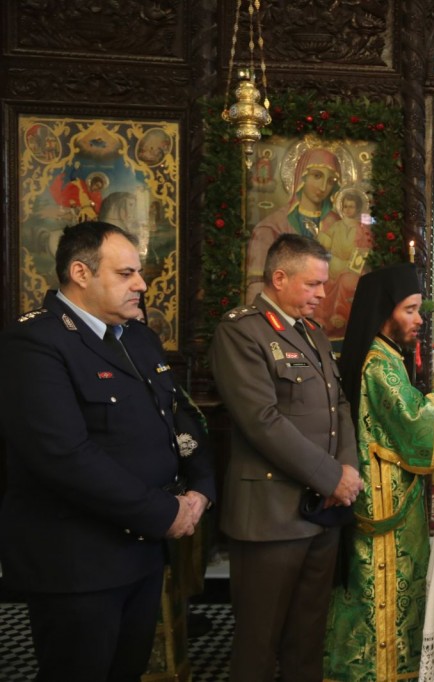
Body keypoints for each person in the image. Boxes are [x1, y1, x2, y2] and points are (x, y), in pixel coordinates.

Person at [0, 220, 215, 681]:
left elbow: (177, 416)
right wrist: (165, 512)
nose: (141, 285)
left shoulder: (137, 337)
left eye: (139, 273)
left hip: (142, 553)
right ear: (80, 272)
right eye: (126, 274)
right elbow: (64, 456)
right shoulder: (34, 341)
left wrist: (200, 487)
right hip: (78, 561)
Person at [210, 234, 363, 682]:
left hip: (322, 511)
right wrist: (331, 476)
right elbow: (262, 421)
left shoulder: (311, 333)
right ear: (279, 278)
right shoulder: (241, 331)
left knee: (307, 642)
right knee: (259, 646)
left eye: (323, 284)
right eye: (312, 284)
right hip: (270, 517)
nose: (322, 294)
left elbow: (339, 406)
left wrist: (347, 469)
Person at [324, 263, 434, 682]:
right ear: (385, 311)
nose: (419, 320)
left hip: (395, 494)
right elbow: (415, 423)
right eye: (410, 310)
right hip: (381, 506)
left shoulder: (387, 355)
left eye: (418, 310)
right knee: (378, 597)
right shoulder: (378, 364)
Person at [245, 147, 344, 302]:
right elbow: (257, 283)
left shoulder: (339, 225)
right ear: (301, 177)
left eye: (331, 181)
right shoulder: (271, 227)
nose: (323, 187)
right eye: (317, 176)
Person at [317, 189, 373, 339]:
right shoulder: (337, 226)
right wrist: (320, 236)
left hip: (352, 270)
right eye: (345, 206)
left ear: (358, 208)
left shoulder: (362, 230)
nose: (348, 210)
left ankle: (341, 317)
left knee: (346, 282)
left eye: (351, 206)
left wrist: (345, 267)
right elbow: (326, 244)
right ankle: (322, 322)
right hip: (333, 267)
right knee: (323, 283)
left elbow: (362, 254)